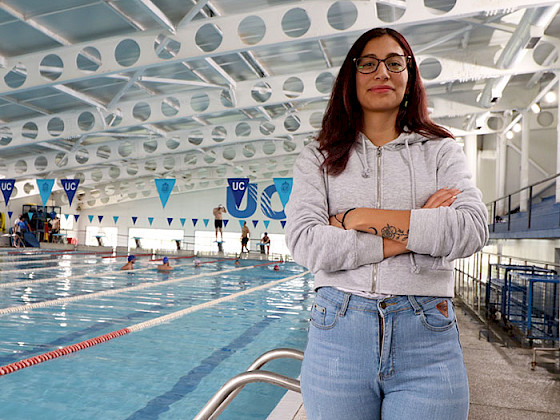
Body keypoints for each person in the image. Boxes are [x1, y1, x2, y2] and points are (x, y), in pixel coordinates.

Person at [285, 27, 488, 420]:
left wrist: (357, 219)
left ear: (409, 78)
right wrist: (421, 229)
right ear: (352, 76)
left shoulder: (441, 151)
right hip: (337, 336)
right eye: (369, 63)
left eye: (396, 63)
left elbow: (472, 228)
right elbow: (307, 243)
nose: (383, 72)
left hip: (427, 339)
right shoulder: (319, 157)